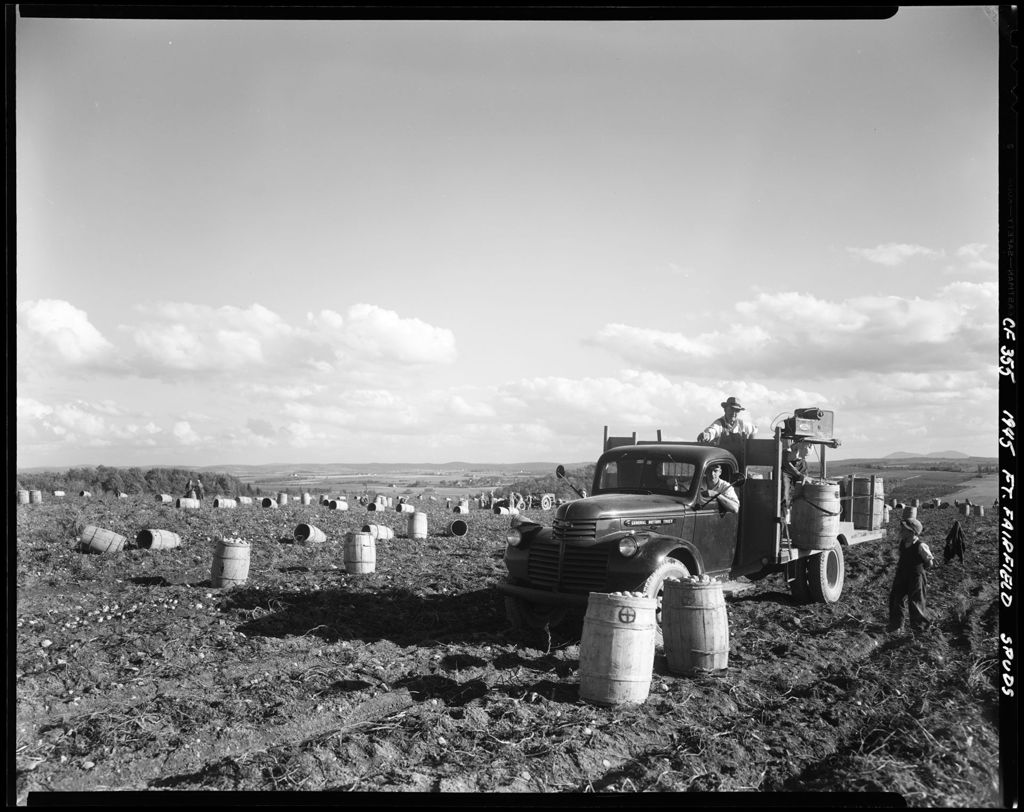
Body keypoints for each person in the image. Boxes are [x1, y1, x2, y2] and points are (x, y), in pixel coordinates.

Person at [887, 517, 934, 633]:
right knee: (896, 598)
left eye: (903, 530)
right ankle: (896, 625)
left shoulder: (921, 546)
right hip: (901, 575)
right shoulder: (902, 543)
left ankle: (919, 627)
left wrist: (919, 570)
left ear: (912, 532)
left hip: (916, 577)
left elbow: (929, 562)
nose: (901, 531)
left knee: (916, 602)